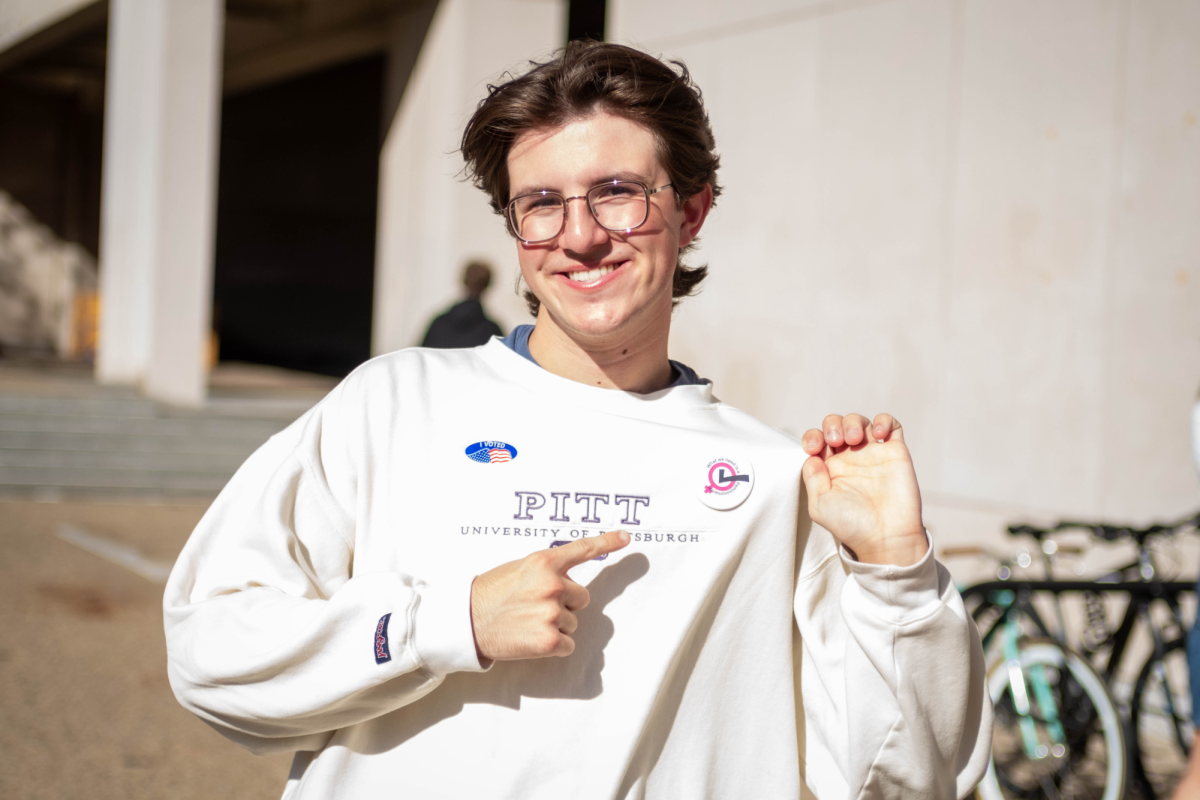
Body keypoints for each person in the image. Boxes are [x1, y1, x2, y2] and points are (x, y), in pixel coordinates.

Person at [165, 41, 991, 799]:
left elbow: (909, 779)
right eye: (542, 205)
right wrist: (447, 625)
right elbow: (213, 657)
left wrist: (896, 575)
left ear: (693, 209)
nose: (581, 237)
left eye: (619, 193)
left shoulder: (780, 481)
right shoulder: (391, 404)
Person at [420, 260, 504, 348]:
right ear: (488, 285)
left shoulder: (438, 324)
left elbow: (417, 357)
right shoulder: (492, 332)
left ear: (463, 280)